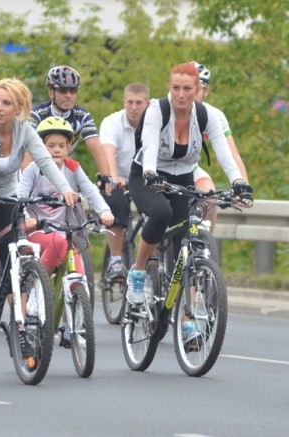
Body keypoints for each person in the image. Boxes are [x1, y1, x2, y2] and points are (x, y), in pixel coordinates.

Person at [0, 78, 78, 353]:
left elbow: (45, 160)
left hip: (6, 194)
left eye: (6, 103)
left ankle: (21, 326)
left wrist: (66, 189)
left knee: (14, 259)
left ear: (19, 107)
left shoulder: (25, 130)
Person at [126, 63, 253, 317]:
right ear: (169, 88)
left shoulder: (208, 116)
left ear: (197, 91)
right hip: (146, 175)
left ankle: (188, 319)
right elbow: (149, 145)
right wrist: (150, 173)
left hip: (183, 176)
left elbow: (225, 154)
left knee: (184, 240)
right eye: (175, 88)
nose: (181, 95)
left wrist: (239, 182)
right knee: (161, 211)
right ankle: (138, 273)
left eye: (187, 89)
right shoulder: (156, 111)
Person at [18, 117, 114, 348]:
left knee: (78, 274)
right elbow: (20, 197)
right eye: (50, 146)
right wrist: (27, 217)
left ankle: (72, 326)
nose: (56, 150)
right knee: (58, 243)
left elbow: (91, 192)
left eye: (62, 145)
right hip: (38, 233)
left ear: (69, 147)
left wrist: (105, 211)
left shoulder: (73, 168)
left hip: (66, 231)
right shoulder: (34, 169)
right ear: (41, 146)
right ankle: (36, 293)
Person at [28, 65, 113, 191]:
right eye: (63, 90)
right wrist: (29, 181)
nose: (69, 95)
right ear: (51, 93)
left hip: (62, 166)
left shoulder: (82, 115)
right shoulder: (37, 114)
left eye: (73, 91)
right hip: (35, 168)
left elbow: (95, 147)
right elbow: (26, 152)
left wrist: (106, 176)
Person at [99, 83, 150, 280]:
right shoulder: (112, 122)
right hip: (117, 177)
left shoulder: (155, 123)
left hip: (144, 179)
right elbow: (108, 153)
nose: (134, 107)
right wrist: (113, 177)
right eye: (130, 102)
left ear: (147, 103)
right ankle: (116, 261)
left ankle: (151, 263)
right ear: (124, 102)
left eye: (139, 103)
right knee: (115, 201)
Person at [191, 61, 249, 232]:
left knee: (209, 200)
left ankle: (205, 252)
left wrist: (242, 185)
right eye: (187, 87)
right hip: (160, 169)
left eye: (197, 88)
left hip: (188, 168)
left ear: (205, 91)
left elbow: (232, 154)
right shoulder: (164, 109)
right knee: (162, 214)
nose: (190, 94)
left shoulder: (214, 116)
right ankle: (152, 256)